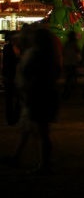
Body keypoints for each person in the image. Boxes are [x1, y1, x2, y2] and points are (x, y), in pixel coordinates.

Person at [9, 25, 62, 175]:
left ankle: (44, 163)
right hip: (38, 95)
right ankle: (21, 156)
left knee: (40, 131)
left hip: (37, 96)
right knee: (31, 129)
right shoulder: (47, 55)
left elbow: (30, 75)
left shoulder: (36, 55)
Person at [2, 31, 21, 126]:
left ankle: (13, 118)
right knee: (11, 98)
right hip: (11, 75)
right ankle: (12, 118)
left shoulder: (7, 48)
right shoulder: (9, 48)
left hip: (12, 76)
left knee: (14, 98)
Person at [61, 30, 81, 100]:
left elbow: (63, 52)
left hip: (67, 63)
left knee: (68, 78)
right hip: (73, 63)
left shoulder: (66, 44)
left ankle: (66, 93)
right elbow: (78, 51)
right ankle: (72, 93)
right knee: (73, 78)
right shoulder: (74, 43)